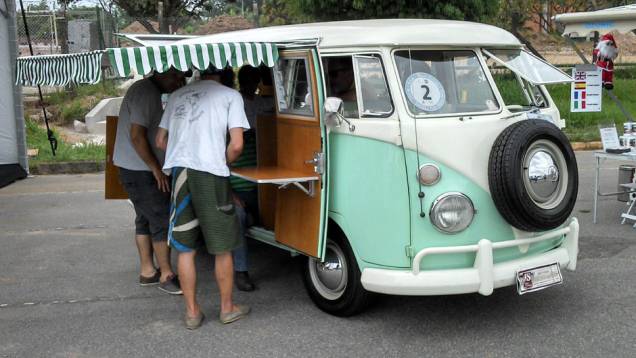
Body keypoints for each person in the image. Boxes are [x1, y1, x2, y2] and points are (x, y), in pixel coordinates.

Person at [156, 66, 251, 329]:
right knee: (222, 246)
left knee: (185, 247)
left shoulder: (177, 95)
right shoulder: (231, 96)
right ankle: (227, 308)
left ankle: (192, 313)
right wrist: (218, 160)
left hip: (181, 174)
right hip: (211, 175)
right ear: (226, 72)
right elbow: (237, 145)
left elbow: (161, 140)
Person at [114, 68, 185, 295]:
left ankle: (148, 271)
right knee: (161, 219)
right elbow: (137, 135)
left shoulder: (145, 90)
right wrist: (156, 168)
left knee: (144, 218)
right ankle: (166, 274)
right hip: (140, 170)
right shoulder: (146, 93)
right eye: (175, 76)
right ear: (161, 73)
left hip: (131, 167)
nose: (179, 81)